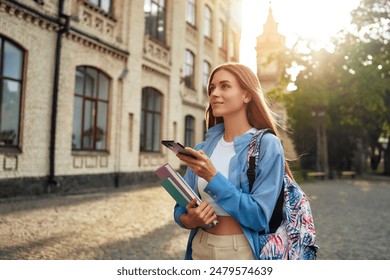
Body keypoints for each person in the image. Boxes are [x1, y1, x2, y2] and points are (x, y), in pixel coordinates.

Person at [174, 62, 294, 260]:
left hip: (241, 251)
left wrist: (212, 177)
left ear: (247, 95)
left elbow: (258, 217)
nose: (214, 93)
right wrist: (188, 219)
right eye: (212, 87)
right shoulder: (203, 149)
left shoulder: (267, 145)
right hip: (199, 247)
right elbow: (180, 207)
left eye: (225, 86)